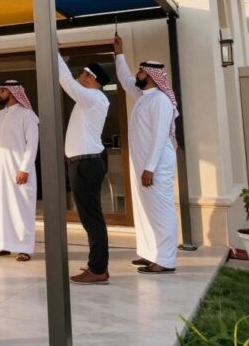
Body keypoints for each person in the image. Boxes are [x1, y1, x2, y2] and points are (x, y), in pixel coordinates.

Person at [114, 34, 179, 275]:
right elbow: (125, 80)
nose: (138, 76)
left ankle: (165, 260)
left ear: (151, 77)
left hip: (155, 165)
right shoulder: (145, 96)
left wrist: (150, 167)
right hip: (143, 164)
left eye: (141, 73)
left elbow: (161, 136)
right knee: (145, 210)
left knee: (161, 210)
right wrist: (118, 54)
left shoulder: (161, 100)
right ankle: (151, 253)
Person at [56, 51, 112, 285]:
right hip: (84, 162)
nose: (79, 77)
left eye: (83, 74)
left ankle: (98, 269)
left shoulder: (94, 97)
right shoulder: (91, 99)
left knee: (92, 219)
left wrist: (55, 52)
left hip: (86, 164)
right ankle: (97, 265)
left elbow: (66, 81)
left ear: (91, 78)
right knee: (90, 217)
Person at [0, 80, 39, 262]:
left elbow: (32, 144)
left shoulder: (27, 115)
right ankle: (3, 245)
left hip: (19, 171)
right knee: (1, 207)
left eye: (2, 91)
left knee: (21, 208)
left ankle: (24, 248)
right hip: (0, 170)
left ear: (13, 92)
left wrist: (24, 168)